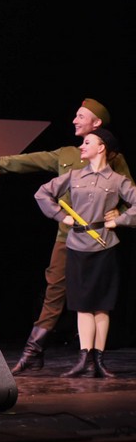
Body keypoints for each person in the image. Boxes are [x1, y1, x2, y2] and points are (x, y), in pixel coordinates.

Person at [0, 99, 131, 373]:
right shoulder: (67, 154)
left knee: (95, 298)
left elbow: (130, 194)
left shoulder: (115, 159)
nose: (75, 120)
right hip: (68, 237)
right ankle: (34, 351)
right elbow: (32, 161)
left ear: (97, 123)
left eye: (81, 116)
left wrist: (118, 214)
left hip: (98, 239)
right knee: (55, 290)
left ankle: (92, 358)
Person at [35, 127, 136, 377]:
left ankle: (99, 360)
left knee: (101, 305)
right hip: (77, 246)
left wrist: (119, 220)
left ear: (101, 147)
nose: (82, 146)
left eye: (88, 142)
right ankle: (84, 359)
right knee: (81, 304)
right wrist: (61, 216)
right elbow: (42, 193)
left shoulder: (117, 180)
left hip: (104, 245)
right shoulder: (74, 175)